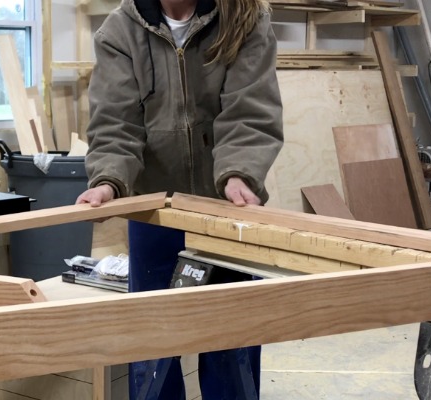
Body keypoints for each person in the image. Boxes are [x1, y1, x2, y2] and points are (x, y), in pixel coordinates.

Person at [74, 0, 283, 398]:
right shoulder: (120, 31)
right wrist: (109, 179)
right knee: (154, 350)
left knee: (231, 347)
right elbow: (115, 122)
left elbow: (250, 111)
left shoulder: (244, 19)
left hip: (226, 209)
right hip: (156, 210)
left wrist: (239, 173)